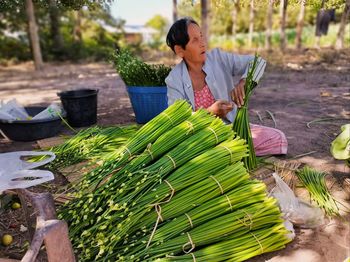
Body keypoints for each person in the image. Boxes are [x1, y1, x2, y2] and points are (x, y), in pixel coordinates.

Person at [165, 17, 287, 156]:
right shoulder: (174, 80)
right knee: (185, 150)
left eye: (201, 37)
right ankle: (228, 152)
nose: (203, 43)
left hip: (231, 130)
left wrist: (244, 81)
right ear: (180, 50)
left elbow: (258, 61)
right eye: (195, 40)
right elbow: (178, 119)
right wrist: (209, 112)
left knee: (278, 138)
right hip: (200, 138)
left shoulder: (218, 58)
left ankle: (225, 153)